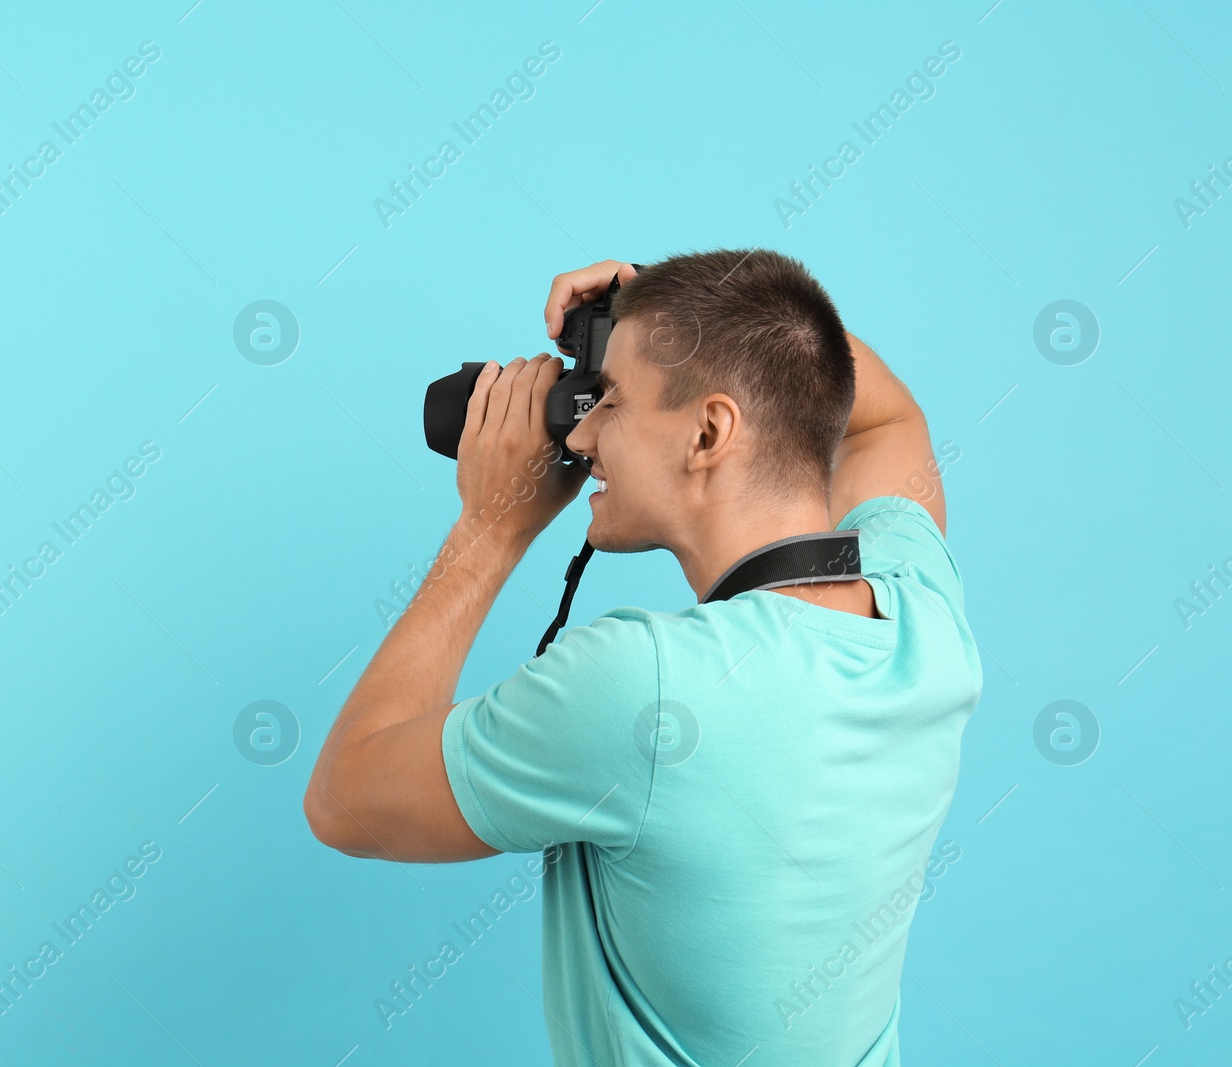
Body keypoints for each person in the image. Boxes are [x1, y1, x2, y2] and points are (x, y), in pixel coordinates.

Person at [303, 250, 982, 1066]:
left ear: (708, 430)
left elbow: (345, 800)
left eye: (610, 400)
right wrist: (688, 306)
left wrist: (491, 527)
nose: (581, 431)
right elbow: (884, 414)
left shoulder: (645, 686)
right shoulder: (922, 612)